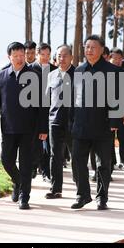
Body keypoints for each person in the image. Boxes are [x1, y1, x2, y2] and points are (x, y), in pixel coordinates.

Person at [0, 42, 48, 210]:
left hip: (29, 129)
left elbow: (43, 104)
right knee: (6, 160)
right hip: (8, 127)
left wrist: (43, 128)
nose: (19, 58)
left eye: (21, 55)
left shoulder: (35, 75)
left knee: (26, 163)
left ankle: (25, 197)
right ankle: (18, 181)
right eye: (15, 56)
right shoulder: (1, 76)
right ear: (9, 57)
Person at [70, 35, 124, 211]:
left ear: (102, 50)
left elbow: (119, 98)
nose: (89, 50)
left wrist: (115, 121)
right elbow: (73, 99)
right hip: (81, 125)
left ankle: (102, 197)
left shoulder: (113, 71)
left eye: (93, 47)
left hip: (104, 125)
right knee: (78, 161)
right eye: (86, 47)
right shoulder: (78, 71)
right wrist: (71, 122)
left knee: (102, 164)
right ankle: (83, 195)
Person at [45, 45, 75, 199]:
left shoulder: (79, 74)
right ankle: (56, 188)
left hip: (74, 123)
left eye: (64, 56)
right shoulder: (51, 76)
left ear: (71, 57)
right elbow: (46, 100)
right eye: (58, 56)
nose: (61, 59)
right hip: (55, 122)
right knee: (55, 156)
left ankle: (80, 187)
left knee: (76, 156)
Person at [30, 43, 57, 181]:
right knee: (34, 143)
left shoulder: (55, 70)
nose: (46, 57)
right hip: (33, 113)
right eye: (43, 55)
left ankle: (46, 171)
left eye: (48, 55)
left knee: (48, 143)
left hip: (50, 112)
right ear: (37, 54)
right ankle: (33, 167)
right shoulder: (29, 69)